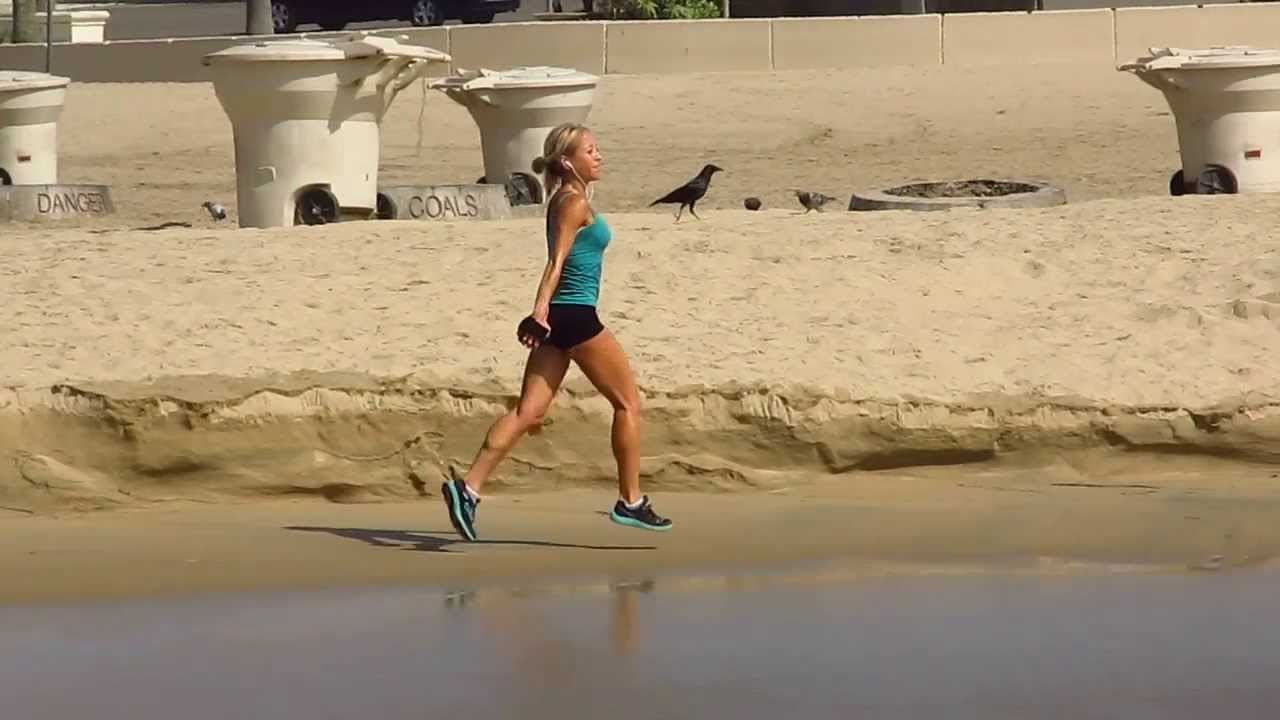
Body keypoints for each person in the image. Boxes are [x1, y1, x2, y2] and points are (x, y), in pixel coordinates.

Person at [441, 122, 673, 542]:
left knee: (529, 412)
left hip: (560, 320)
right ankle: (631, 502)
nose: (599, 155)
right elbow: (556, 262)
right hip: (575, 317)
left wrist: (544, 318)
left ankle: (468, 488)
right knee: (628, 404)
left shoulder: (568, 198)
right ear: (568, 161)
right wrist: (539, 311)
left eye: (597, 148)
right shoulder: (572, 203)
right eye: (590, 150)